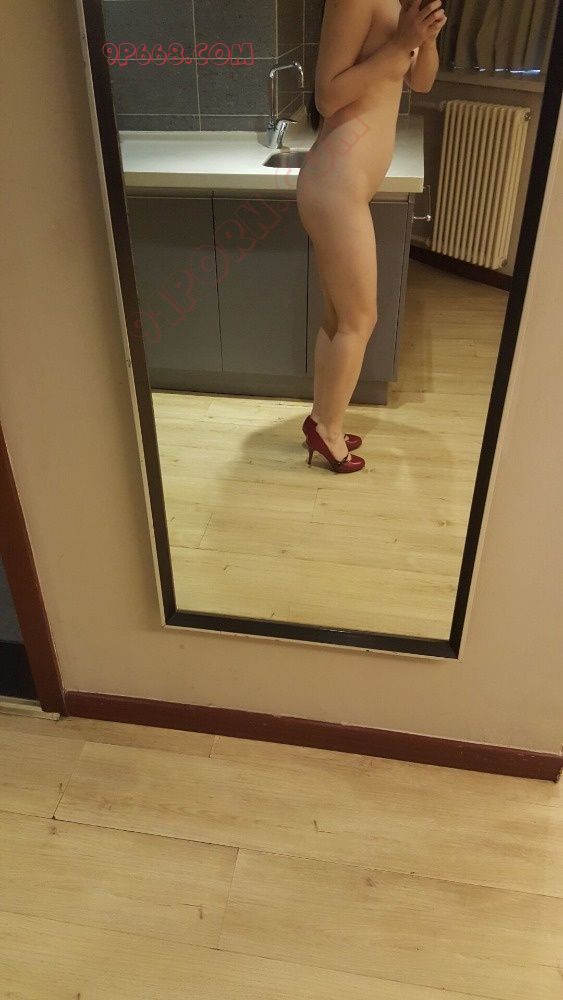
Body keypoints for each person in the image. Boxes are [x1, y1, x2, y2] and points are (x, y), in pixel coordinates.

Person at [297, 0, 447, 473]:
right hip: (334, 183)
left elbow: (421, 82)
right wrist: (401, 43)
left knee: (340, 316)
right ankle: (328, 432)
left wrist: (424, 39)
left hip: (345, 186)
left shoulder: (400, 4)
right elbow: (327, 97)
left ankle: (322, 420)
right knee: (360, 320)